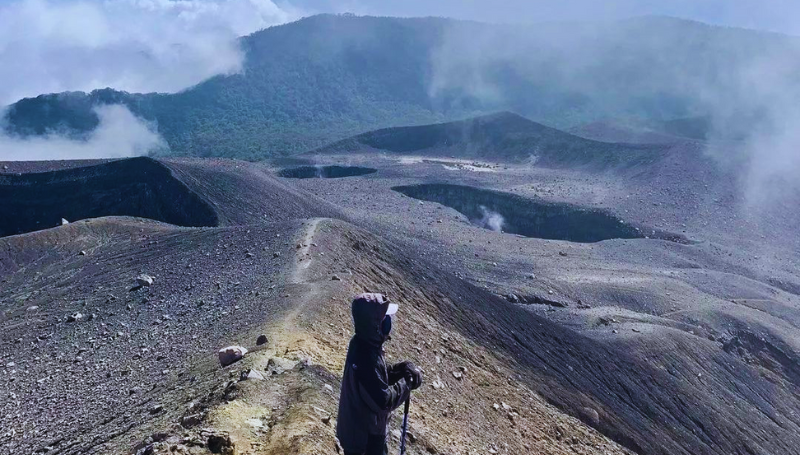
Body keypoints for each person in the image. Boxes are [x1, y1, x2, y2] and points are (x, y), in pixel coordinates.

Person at [337, 293, 423, 455]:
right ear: (377, 325)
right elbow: (383, 401)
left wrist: (402, 368)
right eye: (387, 320)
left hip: (359, 432)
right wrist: (406, 384)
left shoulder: (362, 344)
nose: (390, 324)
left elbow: (378, 378)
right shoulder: (366, 357)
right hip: (364, 441)